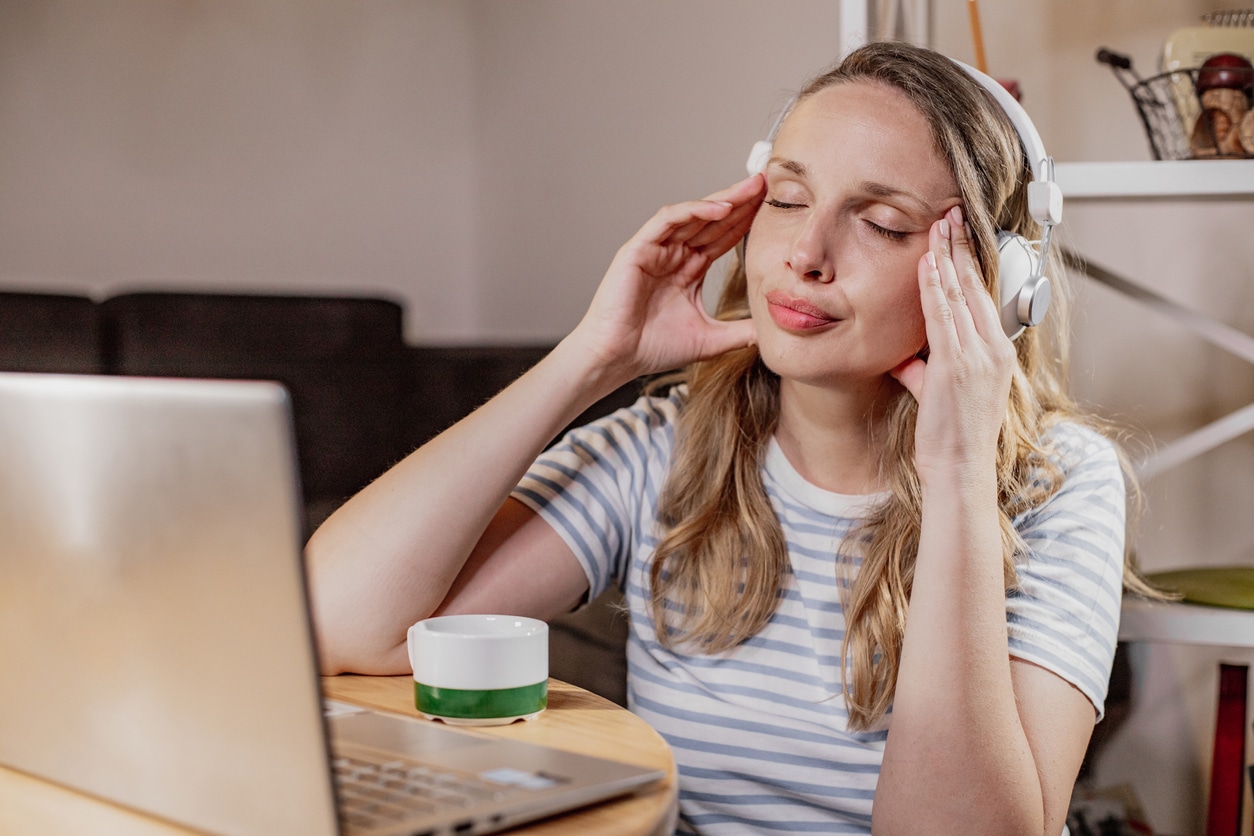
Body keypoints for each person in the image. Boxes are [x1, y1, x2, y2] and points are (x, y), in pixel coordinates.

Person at [306, 40, 1154, 834]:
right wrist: (590, 360)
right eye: (787, 200)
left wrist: (958, 474)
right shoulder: (664, 445)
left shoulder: (1060, 484)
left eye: (884, 224)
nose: (806, 254)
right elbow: (342, 626)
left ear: (998, 284)